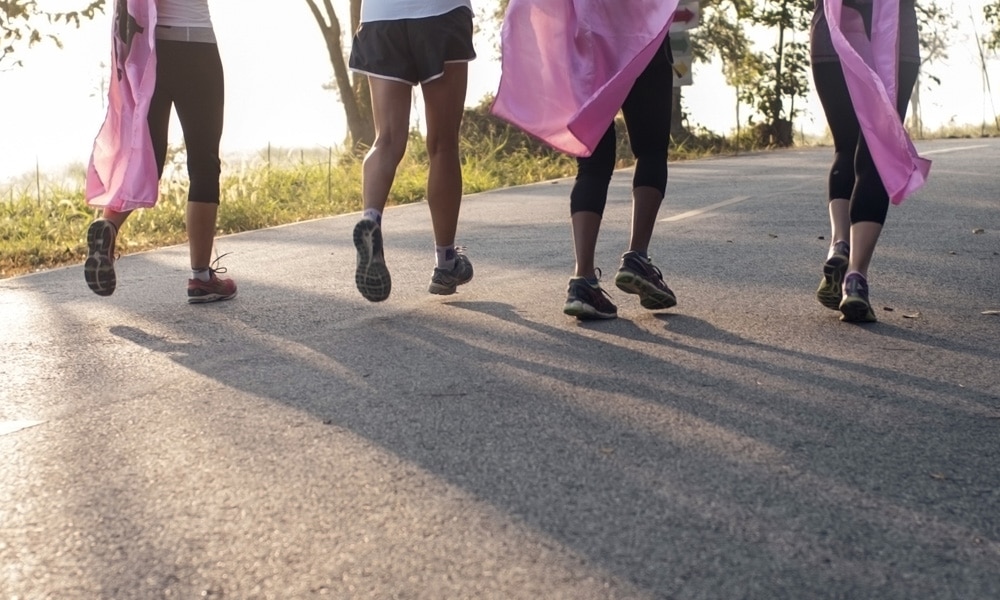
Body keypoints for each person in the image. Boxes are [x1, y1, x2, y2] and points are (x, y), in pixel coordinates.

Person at [84, 0, 236, 304]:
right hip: (195, 44)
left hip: (145, 48)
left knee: (148, 155)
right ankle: (202, 277)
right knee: (204, 164)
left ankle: (109, 227)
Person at [348, 0, 476, 302]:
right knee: (443, 145)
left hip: (381, 16)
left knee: (386, 140)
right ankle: (446, 262)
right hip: (440, 13)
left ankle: (372, 221)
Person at [811, 0, 921, 322]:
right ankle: (856, 278)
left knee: (845, 146)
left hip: (832, 33)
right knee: (876, 151)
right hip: (894, 38)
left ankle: (839, 244)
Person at [561, 37, 678, 321]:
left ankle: (583, 281)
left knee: (592, 165)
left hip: (584, 42)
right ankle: (637, 257)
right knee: (650, 149)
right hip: (642, 35)